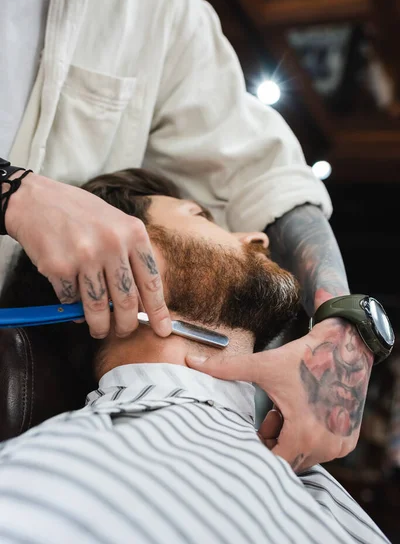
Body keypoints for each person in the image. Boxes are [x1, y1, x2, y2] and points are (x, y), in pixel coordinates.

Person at [0, 0, 380, 470]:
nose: (257, 238)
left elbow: (260, 173)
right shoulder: (50, 483)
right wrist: (12, 190)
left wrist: (342, 326)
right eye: (201, 215)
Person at [0, 168, 389, 544]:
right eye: (201, 216)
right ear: (104, 257)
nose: (258, 237)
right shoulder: (66, 476)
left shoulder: (294, 458)